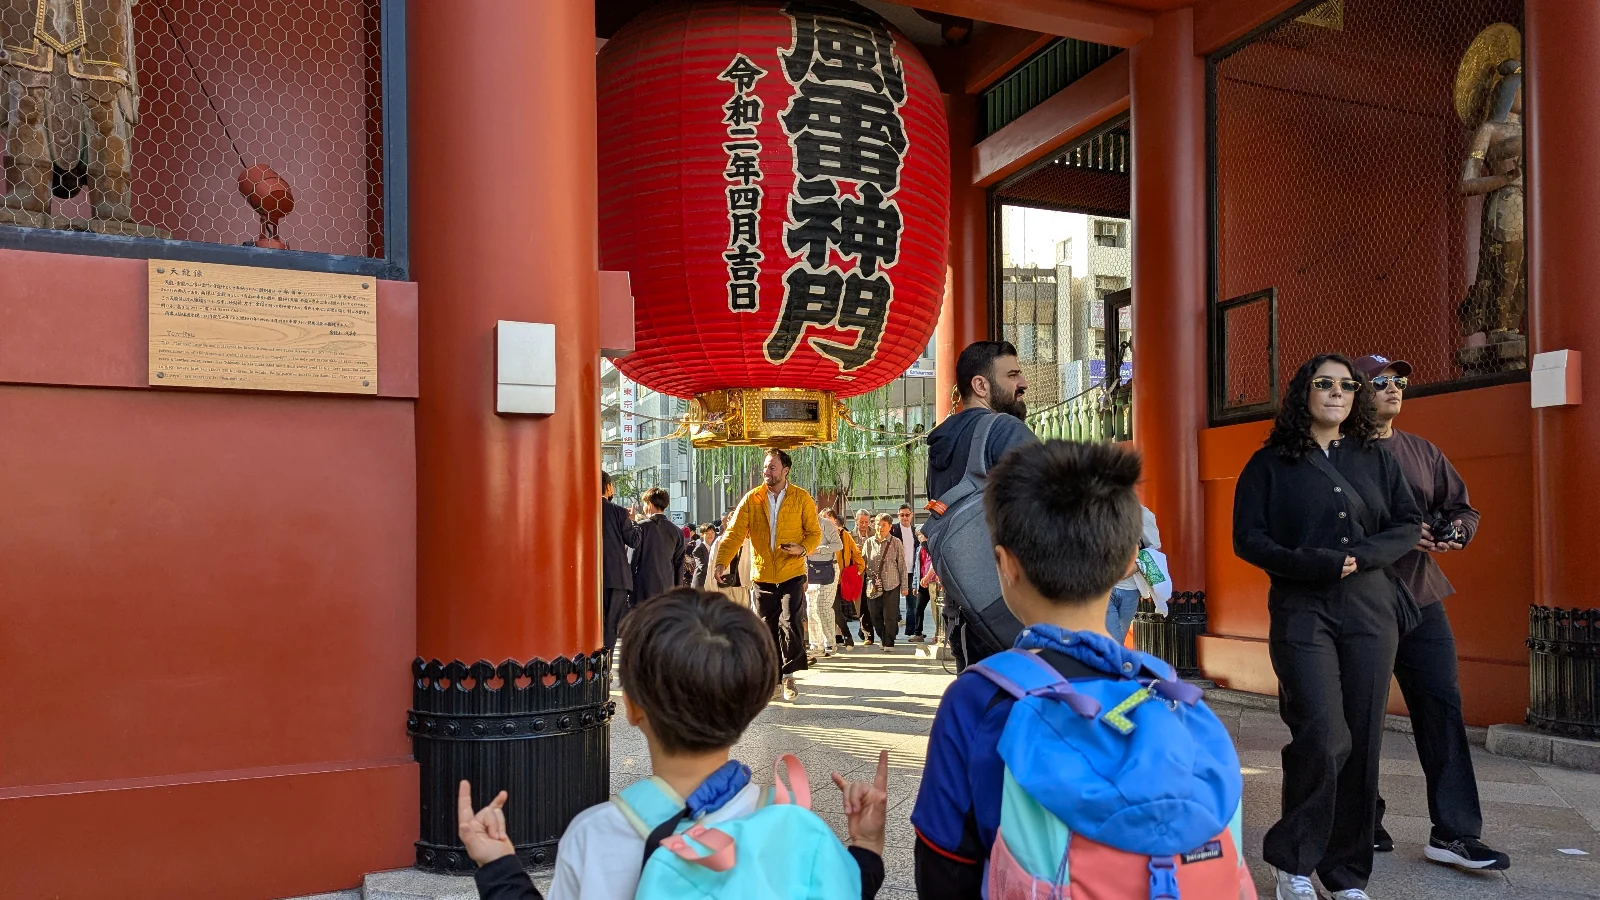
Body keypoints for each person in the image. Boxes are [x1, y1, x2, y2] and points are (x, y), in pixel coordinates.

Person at [912, 440, 1248, 899]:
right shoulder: (1171, 693)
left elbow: (943, 867)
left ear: (1004, 565)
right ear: (1131, 560)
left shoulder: (979, 699)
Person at [458, 588, 892, 900]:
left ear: (631, 707)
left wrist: (498, 866)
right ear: (754, 707)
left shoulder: (597, 834)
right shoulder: (794, 827)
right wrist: (867, 849)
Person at [1233, 354, 1422, 900]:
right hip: (1301, 610)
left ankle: (1346, 876)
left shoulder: (1377, 460)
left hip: (1369, 611)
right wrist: (1309, 561)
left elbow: (1409, 523)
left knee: (1361, 742)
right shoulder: (1269, 464)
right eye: (1324, 384)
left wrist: (1361, 555)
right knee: (1323, 733)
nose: (1337, 393)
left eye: (1346, 386)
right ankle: (1293, 861)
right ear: (1303, 393)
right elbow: (1248, 538)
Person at [1354, 354, 1510, 871]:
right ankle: (1361, 823)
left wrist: (1457, 532)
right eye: (1381, 382)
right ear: (1356, 391)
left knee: (1442, 708)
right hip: (1362, 599)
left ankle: (1455, 833)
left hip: (1421, 595)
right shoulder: (1335, 455)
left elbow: (1463, 508)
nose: (1394, 388)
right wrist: (1394, 535)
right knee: (1361, 717)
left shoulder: (1421, 451)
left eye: (1399, 381)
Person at [924, 341, 1039, 668]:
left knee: (980, 712)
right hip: (1017, 619)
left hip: (966, 619)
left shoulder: (940, 447)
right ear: (980, 385)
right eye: (1013, 375)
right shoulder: (1004, 430)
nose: (1023, 384)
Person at [714, 449, 822, 700]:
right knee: (766, 626)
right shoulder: (752, 499)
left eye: (772, 467)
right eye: (765, 467)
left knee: (790, 621)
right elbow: (733, 534)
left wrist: (802, 549)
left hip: (792, 571)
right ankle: (772, 678)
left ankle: (788, 677)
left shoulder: (801, 498)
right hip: (762, 574)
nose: (767, 472)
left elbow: (814, 533)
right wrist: (722, 562)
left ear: (785, 471)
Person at [1105, 505, 1161, 644]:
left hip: (1131, 590)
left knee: (1118, 640)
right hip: (1105, 588)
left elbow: (1154, 549)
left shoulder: (1143, 514)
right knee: (1114, 641)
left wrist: (1133, 569)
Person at [600, 472, 640, 664]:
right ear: (608, 488)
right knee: (611, 624)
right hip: (615, 576)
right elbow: (633, 541)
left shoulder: (579, 508)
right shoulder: (618, 512)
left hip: (586, 578)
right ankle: (604, 667)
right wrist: (633, 521)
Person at [859, 513, 906, 652]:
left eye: (884, 524)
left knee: (890, 615)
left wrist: (905, 586)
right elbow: (862, 562)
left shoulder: (896, 542)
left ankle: (889, 642)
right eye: (878, 524)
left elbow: (902, 565)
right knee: (874, 615)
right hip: (873, 586)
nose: (880, 527)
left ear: (890, 527)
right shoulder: (869, 542)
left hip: (892, 583)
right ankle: (884, 637)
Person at [632, 487, 686, 605]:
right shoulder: (677, 531)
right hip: (668, 588)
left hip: (642, 589)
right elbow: (679, 565)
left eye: (644, 504)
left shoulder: (640, 527)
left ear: (649, 504)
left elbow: (632, 560)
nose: (643, 507)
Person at [806, 505, 845, 658]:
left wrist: (818, 549)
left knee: (822, 606)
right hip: (809, 569)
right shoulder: (800, 525)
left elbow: (838, 545)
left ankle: (830, 642)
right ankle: (816, 645)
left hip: (828, 568)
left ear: (814, 507)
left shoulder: (826, 524)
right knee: (811, 608)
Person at [891, 505, 930, 643]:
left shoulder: (915, 532)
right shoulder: (893, 529)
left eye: (907, 515)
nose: (905, 517)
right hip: (896, 571)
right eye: (902, 515)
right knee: (893, 603)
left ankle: (913, 631)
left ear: (911, 515)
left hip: (913, 571)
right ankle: (892, 632)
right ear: (898, 516)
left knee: (912, 604)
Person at [831, 509, 864, 649]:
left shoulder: (844, 535)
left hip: (839, 579)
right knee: (825, 610)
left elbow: (856, 554)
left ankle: (846, 635)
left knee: (835, 610)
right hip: (821, 577)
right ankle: (831, 639)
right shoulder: (817, 534)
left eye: (831, 521)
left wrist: (857, 569)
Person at [706, 513, 753, 606]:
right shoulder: (719, 541)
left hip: (742, 587)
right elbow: (711, 565)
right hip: (723, 587)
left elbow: (750, 565)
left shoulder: (747, 543)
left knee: (741, 617)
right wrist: (711, 591)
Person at [852, 509, 878, 645]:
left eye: (866, 522)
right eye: (861, 522)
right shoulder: (850, 536)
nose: (863, 525)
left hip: (873, 574)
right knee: (861, 605)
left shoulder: (875, 534)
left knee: (872, 605)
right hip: (858, 576)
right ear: (856, 521)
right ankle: (867, 634)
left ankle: (867, 632)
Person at [689, 524, 716, 589]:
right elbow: (703, 566)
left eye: (712, 532)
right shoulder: (698, 549)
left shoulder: (715, 547)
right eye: (707, 533)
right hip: (700, 583)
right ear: (701, 534)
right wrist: (716, 572)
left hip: (711, 582)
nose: (710, 535)